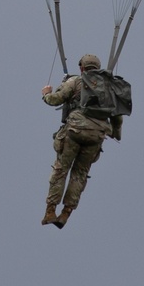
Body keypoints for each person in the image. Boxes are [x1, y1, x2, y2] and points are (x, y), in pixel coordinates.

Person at [40, 53, 123, 228]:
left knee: (61, 169)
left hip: (75, 131)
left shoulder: (76, 81)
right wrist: (116, 133)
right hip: (96, 136)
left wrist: (46, 94)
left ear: (81, 68)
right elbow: (117, 117)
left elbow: (55, 100)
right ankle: (66, 213)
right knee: (80, 174)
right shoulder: (109, 87)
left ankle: (50, 211)